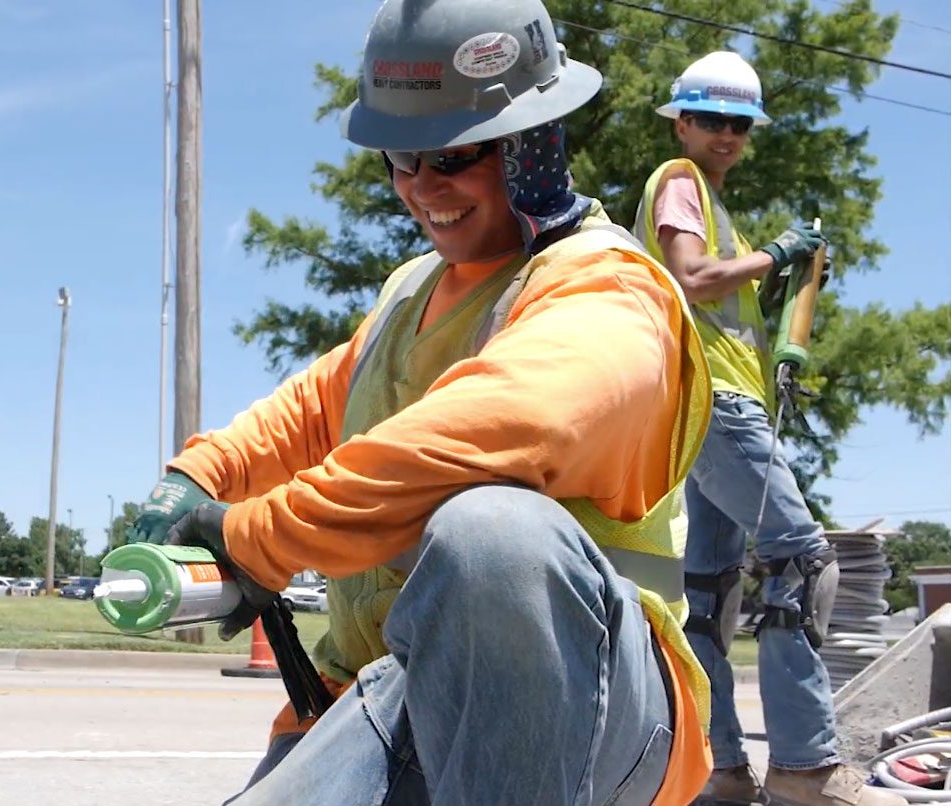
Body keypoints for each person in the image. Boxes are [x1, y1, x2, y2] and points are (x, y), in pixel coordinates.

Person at [128, 0, 719, 802]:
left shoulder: (609, 291)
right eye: (399, 162)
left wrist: (256, 538)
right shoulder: (413, 294)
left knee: (494, 535)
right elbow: (312, 409)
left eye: (452, 158)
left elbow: (496, 429)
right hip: (392, 696)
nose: (421, 189)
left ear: (534, 143)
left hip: (595, 717)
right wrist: (199, 478)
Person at [632, 52, 902, 806]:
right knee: (800, 566)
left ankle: (719, 770)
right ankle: (805, 769)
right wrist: (775, 254)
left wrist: (778, 284)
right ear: (681, 122)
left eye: (739, 124)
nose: (726, 134)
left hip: (704, 408)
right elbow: (693, 277)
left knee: (710, 595)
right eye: (711, 120)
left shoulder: (716, 207)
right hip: (715, 406)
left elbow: (717, 296)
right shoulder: (679, 182)